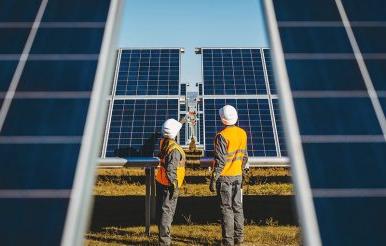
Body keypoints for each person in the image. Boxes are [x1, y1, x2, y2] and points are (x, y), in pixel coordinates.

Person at [209, 105, 248, 246]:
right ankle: (240, 238)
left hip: (225, 178)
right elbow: (244, 157)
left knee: (226, 209)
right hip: (238, 175)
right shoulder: (243, 133)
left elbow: (220, 161)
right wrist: (242, 172)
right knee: (238, 206)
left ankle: (228, 241)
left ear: (222, 119)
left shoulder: (222, 136)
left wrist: (213, 179)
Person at [155, 118, 186, 246]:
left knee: (164, 211)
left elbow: (172, 129)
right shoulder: (174, 150)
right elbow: (171, 169)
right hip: (169, 185)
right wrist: (174, 184)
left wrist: (182, 121)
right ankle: (164, 241)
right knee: (167, 212)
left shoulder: (165, 142)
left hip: (162, 181)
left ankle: (164, 238)